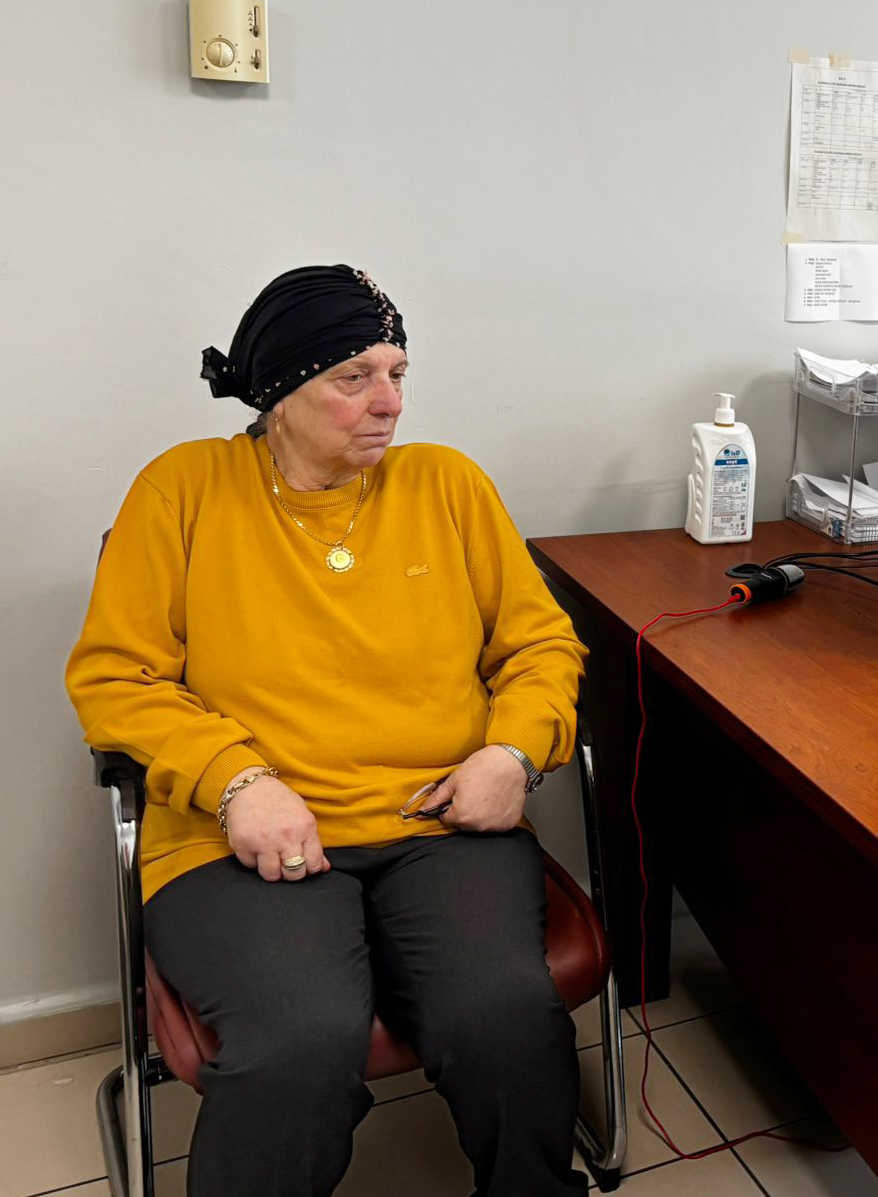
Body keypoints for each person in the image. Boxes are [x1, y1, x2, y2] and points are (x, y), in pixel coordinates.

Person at [65, 265, 591, 1197]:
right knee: (296, 1043)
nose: (390, 402)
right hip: (243, 839)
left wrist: (512, 750)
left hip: (439, 819)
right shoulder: (184, 489)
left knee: (505, 1015)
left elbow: (541, 645)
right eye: (355, 378)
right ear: (278, 393)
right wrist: (237, 781)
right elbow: (115, 678)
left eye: (398, 373)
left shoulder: (448, 484)